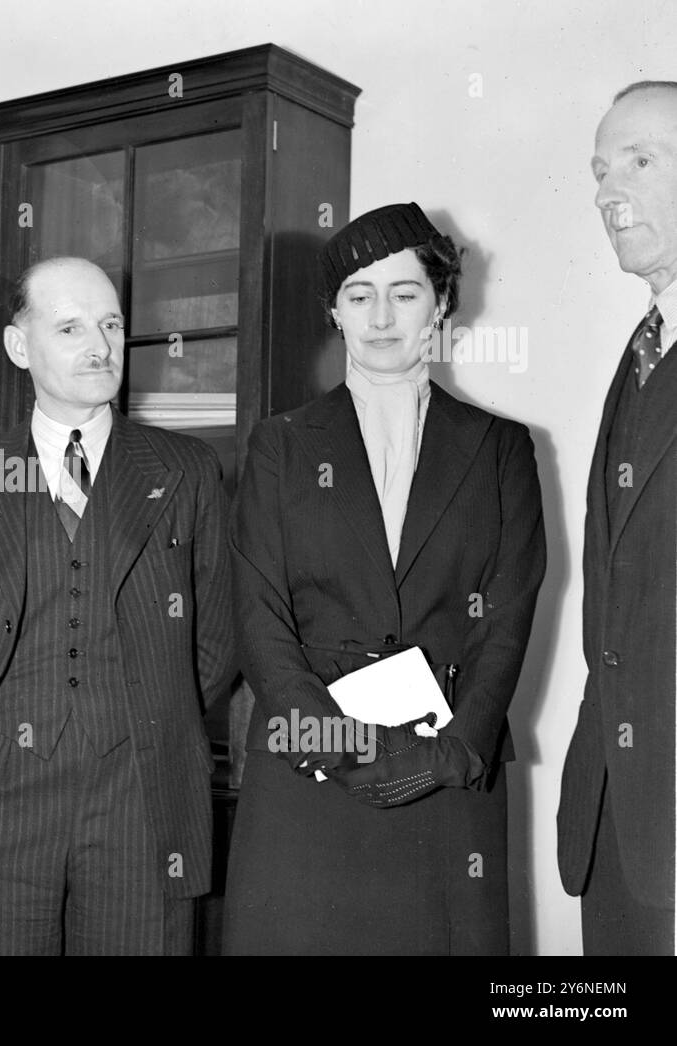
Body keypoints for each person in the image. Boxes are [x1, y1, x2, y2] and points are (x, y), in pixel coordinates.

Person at [223, 203, 546, 955]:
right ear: (334, 312)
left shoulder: (501, 450)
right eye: (358, 295)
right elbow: (259, 616)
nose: (380, 315)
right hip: (312, 777)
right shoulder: (280, 445)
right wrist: (341, 743)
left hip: (446, 782)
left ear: (440, 303)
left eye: (403, 292)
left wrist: (453, 751)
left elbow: (508, 615)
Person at [0, 257, 236, 955]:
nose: (100, 345)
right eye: (70, 327)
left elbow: (215, 639)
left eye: (111, 324)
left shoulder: (186, 470)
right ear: (19, 346)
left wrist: (142, 720)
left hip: (140, 801)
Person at [558, 81, 677, 956]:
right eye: (601, 171)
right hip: (620, 821)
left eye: (640, 161)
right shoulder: (639, 356)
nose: (607, 192)